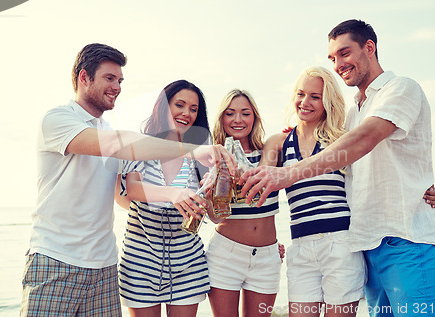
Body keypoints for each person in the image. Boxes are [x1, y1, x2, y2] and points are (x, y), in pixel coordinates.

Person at [242, 20, 435, 316]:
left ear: (370, 48)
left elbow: (362, 140)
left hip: (406, 239)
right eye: (332, 58)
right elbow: (344, 154)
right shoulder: (353, 113)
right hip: (367, 244)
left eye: (345, 53)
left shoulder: (401, 88)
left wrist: (288, 173)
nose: (339, 63)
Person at [20, 44, 235, 317]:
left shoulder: (109, 128)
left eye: (120, 80)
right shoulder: (59, 119)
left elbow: (124, 193)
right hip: (56, 259)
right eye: (109, 78)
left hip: (104, 265)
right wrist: (191, 152)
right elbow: (121, 158)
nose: (117, 86)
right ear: (84, 78)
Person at [259, 66, 365, 317]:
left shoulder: (340, 139)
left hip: (340, 245)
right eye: (300, 94)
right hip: (300, 247)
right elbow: (258, 187)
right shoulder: (278, 143)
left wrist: (425, 189)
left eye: (315, 97)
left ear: (327, 101)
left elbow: (373, 176)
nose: (305, 102)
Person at [114, 80, 212, 317]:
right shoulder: (140, 144)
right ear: (163, 107)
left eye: (193, 109)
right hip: (140, 262)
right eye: (179, 105)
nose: (186, 113)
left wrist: (212, 194)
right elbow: (132, 188)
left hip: (188, 263)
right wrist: (172, 194)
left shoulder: (201, 153)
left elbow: (215, 217)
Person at [205, 89, 282, 317]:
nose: (238, 120)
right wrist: (211, 188)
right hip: (224, 255)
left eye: (245, 113)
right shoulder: (212, 157)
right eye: (230, 113)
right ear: (222, 119)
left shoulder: (271, 151)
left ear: (254, 118)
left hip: (268, 256)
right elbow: (215, 217)